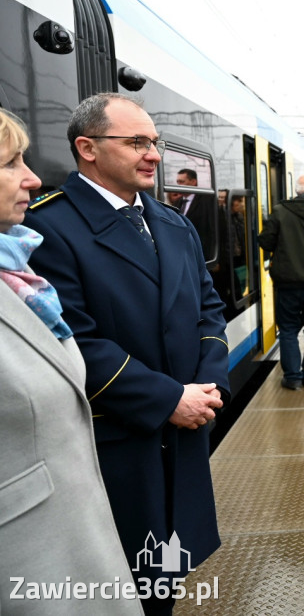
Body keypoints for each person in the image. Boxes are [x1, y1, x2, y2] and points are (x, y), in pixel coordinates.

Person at [23, 93, 229, 616]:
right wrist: (168, 400)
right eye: (136, 142)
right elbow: (74, 340)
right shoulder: (51, 228)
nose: (154, 154)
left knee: (166, 578)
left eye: (154, 142)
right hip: (117, 442)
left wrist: (209, 388)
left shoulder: (172, 223)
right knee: (121, 584)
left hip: (182, 433)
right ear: (87, 148)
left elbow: (209, 309)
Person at [0, 109, 143, 615]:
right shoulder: (50, 231)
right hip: (29, 561)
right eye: (11, 162)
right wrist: (170, 395)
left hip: (73, 536)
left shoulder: (20, 274)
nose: (33, 176)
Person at [258, 174, 304, 390]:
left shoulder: (280, 210)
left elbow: (266, 242)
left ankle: (292, 378)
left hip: (287, 284)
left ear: (297, 191)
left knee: (288, 331)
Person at [174, 168, 217, 261]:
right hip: (184, 255)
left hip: (204, 255)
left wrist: (215, 257)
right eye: (178, 182)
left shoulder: (207, 200)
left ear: (193, 182)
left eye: (182, 182)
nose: (178, 185)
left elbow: (215, 230)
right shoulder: (177, 203)